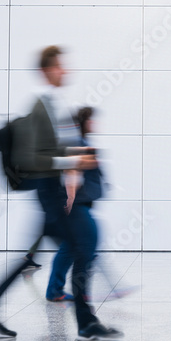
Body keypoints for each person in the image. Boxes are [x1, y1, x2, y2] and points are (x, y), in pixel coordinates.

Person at [0, 46, 122, 340]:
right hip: (50, 193)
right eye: (58, 66)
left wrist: (77, 156)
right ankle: (85, 321)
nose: (64, 71)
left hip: (56, 192)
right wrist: (72, 161)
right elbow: (32, 158)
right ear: (45, 71)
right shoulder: (42, 106)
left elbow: (57, 148)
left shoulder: (56, 104)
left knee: (48, 254)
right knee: (85, 243)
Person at [45, 107, 104, 302]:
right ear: (83, 123)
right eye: (91, 120)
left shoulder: (82, 142)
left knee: (70, 247)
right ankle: (77, 291)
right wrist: (70, 199)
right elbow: (72, 172)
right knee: (87, 243)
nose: (94, 123)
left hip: (80, 203)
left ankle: (56, 289)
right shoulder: (78, 143)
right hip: (76, 205)